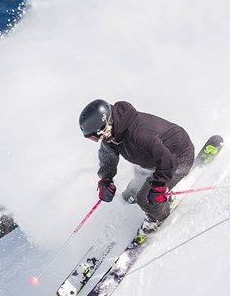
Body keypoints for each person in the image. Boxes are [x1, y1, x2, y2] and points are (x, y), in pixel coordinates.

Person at [79, 98, 196, 234]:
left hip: (178, 157)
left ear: (104, 126)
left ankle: (158, 218)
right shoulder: (112, 133)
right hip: (151, 162)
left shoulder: (139, 133)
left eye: (95, 137)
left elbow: (168, 161)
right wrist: (105, 180)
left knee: (144, 198)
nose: (97, 140)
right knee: (130, 195)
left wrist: (159, 187)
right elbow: (107, 156)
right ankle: (152, 193)